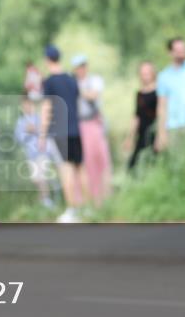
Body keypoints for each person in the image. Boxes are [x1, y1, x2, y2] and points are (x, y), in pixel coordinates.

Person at [40, 44, 87, 222]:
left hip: (60, 132)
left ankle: (73, 210)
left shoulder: (49, 82)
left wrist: (42, 135)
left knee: (65, 170)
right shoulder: (71, 79)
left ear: (47, 60)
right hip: (76, 129)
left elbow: (46, 108)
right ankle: (87, 208)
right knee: (80, 169)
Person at [71, 54, 112, 204]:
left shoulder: (94, 80)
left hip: (94, 123)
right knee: (84, 162)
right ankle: (84, 198)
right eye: (78, 67)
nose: (80, 69)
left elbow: (93, 96)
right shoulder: (73, 83)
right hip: (79, 125)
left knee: (100, 159)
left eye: (82, 66)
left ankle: (104, 197)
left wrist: (77, 89)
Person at [14, 95, 61, 209]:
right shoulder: (20, 122)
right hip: (31, 155)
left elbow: (48, 133)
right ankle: (52, 191)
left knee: (42, 177)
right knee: (36, 179)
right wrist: (26, 131)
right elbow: (18, 138)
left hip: (42, 152)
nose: (27, 107)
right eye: (24, 105)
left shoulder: (39, 118)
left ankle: (47, 200)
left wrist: (35, 130)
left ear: (32, 105)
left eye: (29, 104)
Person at [124, 62, 159, 171]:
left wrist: (161, 135)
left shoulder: (159, 92)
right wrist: (129, 137)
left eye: (147, 73)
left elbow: (162, 114)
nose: (145, 76)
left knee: (154, 162)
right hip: (142, 134)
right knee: (132, 165)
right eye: (143, 73)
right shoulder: (139, 93)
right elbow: (137, 116)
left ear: (153, 74)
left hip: (155, 132)